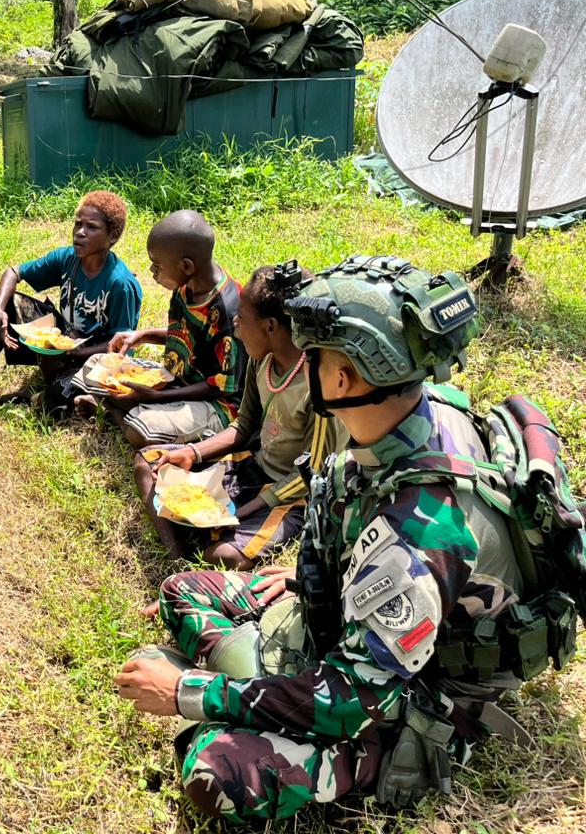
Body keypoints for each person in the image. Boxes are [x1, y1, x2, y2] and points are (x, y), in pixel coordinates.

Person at [114, 255, 576, 822]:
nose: (301, 368)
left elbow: (349, 700)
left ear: (342, 378)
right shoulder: (402, 422)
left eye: (313, 357)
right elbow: (348, 515)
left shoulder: (417, 536)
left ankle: (235, 688)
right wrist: (301, 578)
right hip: (366, 636)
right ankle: (249, 678)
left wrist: (186, 693)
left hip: (406, 696)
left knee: (215, 773)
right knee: (182, 588)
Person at [135, 261, 347, 565]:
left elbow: (315, 471)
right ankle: (176, 556)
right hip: (252, 466)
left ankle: (208, 537)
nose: (234, 323)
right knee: (148, 464)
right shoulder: (262, 358)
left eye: (242, 317)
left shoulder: (320, 385)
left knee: (224, 554)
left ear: (271, 327)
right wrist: (193, 453)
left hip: (290, 494)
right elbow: (245, 424)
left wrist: (237, 512)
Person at [0, 190, 142, 413]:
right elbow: (13, 272)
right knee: (2, 304)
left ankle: (38, 397)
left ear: (112, 236)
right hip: (63, 339)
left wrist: (74, 353)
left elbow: (121, 344)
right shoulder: (67, 259)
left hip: (94, 356)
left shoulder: (120, 284)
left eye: (91, 227)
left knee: (58, 402)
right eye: (77, 224)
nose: (80, 233)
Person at [91, 210, 245, 447]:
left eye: (157, 265)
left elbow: (223, 387)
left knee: (141, 430)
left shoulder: (227, 311)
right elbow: (188, 336)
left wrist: (159, 396)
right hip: (177, 381)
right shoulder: (187, 285)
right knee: (97, 367)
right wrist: (142, 336)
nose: (153, 272)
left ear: (186, 265)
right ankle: (130, 405)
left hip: (217, 403)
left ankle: (115, 412)